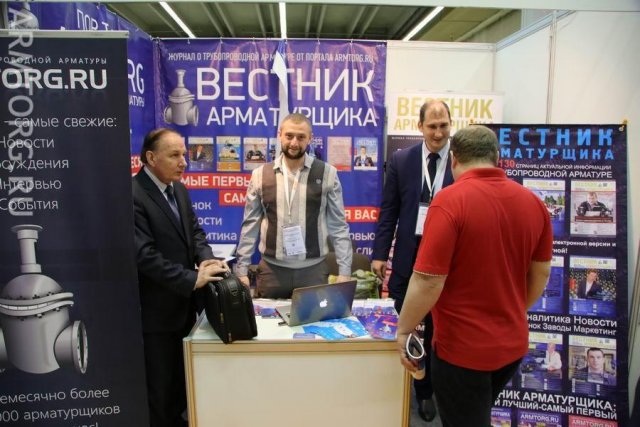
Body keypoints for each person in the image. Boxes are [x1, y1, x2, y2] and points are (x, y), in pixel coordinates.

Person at [396, 125, 553, 426]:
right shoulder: (533, 203)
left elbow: (428, 280)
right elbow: (542, 272)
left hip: (462, 350)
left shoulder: (449, 201)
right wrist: (512, 310)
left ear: (454, 159)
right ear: (496, 157)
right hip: (511, 344)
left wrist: (404, 330)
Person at [133, 128, 229, 427]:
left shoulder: (178, 189)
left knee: (181, 391)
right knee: (161, 396)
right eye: (174, 155)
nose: (184, 162)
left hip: (185, 310)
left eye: (184, 154)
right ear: (151, 158)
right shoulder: (133, 195)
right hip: (156, 315)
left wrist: (206, 258)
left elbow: (195, 231)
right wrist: (192, 279)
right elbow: (144, 255)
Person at [372, 100, 454, 422]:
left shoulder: (460, 161)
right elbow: (389, 210)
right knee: (407, 328)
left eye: (443, 125)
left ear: (450, 125)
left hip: (447, 266)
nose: (438, 133)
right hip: (408, 261)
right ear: (420, 127)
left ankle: (428, 391)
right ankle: (411, 384)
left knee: (439, 331)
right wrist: (380, 254)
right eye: (432, 126)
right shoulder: (402, 160)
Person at [235, 113, 352, 297]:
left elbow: (338, 226)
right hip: (271, 273)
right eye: (289, 136)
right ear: (280, 135)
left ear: (310, 138)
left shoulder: (327, 174)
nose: (294, 143)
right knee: (268, 317)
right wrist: (242, 269)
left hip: (313, 272)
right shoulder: (260, 175)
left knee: (314, 317)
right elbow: (250, 225)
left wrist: (345, 271)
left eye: (301, 137)